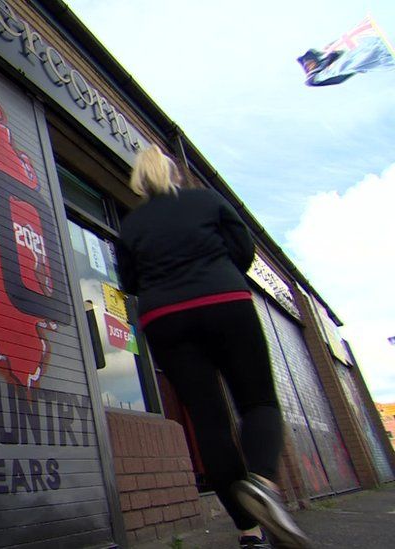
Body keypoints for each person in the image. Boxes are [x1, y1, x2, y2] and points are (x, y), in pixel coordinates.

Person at [116, 145, 310, 549]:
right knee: (257, 403)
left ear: (139, 181)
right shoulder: (207, 200)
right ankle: (261, 483)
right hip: (224, 303)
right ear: (173, 174)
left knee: (209, 423)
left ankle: (249, 531)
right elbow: (244, 251)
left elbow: (130, 283)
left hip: (165, 317)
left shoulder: (131, 225)